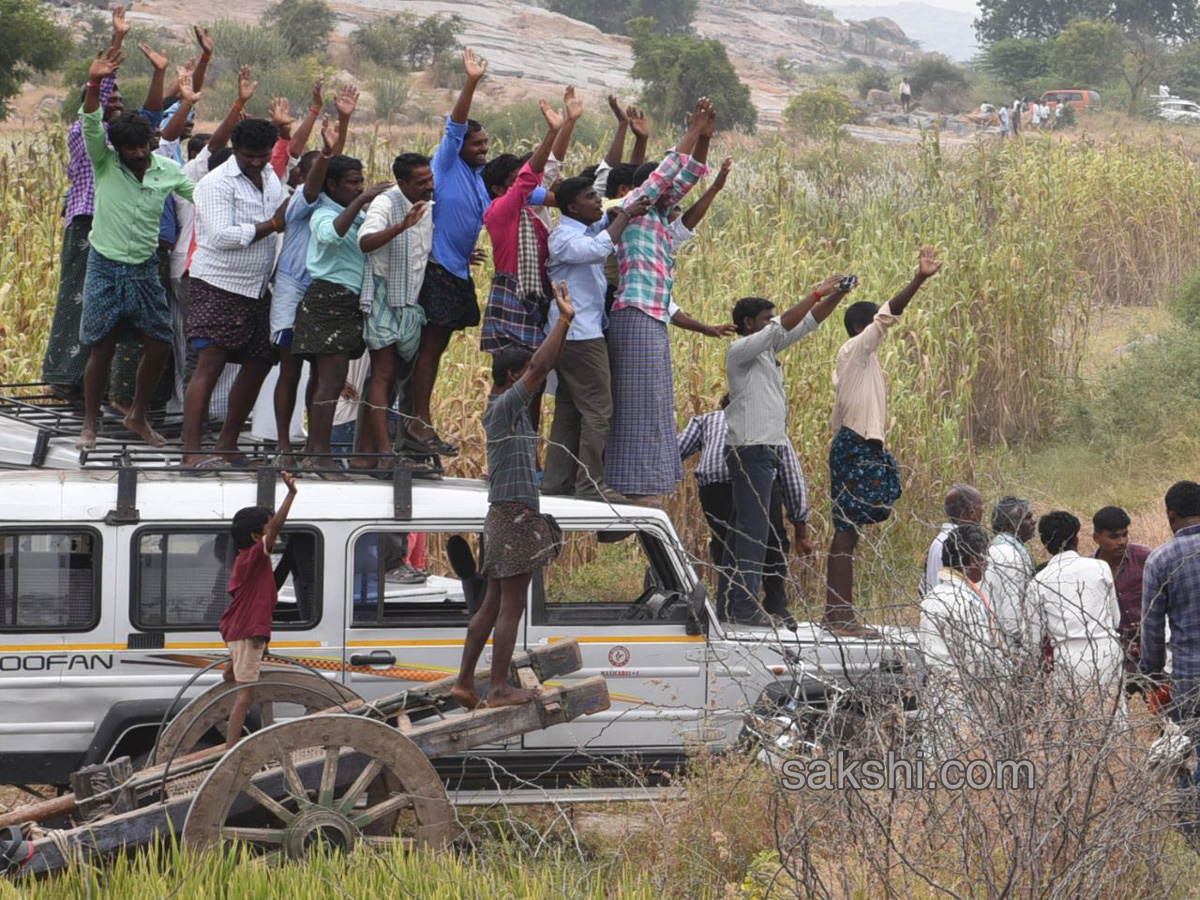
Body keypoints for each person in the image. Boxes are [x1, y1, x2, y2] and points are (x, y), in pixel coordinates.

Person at [450, 282, 575, 710]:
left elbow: (542, 365)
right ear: (511, 377)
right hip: (514, 514)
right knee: (511, 606)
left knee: (490, 605)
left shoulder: (510, 411)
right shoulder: (504, 405)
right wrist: (563, 319)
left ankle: (465, 683)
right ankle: (499, 687)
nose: (534, 383)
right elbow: (540, 366)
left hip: (504, 515)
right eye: (526, 377)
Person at [73, 47, 196, 451]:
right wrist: (94, 83)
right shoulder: (105, 163)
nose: (139, 155)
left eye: (144, 147)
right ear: (119, 150)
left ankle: (138, 413)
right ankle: (89, 423)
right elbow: (91, 121)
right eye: (131, 150)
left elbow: (203, 198)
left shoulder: (168, 171)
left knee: (159, 343)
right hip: (106, 264)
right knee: (102, 345)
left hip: (144, 266)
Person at [606, 98, 725, 503]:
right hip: (634, 314)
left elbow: (687, 177)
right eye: (665, 191)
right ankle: (629, 485)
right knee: (639, 404)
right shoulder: (631, 209)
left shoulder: (656, 219)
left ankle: (647, 484)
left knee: (656, 402)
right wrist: (691, 130)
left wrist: (704, 138)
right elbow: (668, 175)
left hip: (652, 317)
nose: (671, 195)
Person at [824, 246, 942, 639]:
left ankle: (839, 615)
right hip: (855, 445)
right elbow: (888, 314)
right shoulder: (857, 349)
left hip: (855, 444)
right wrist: (920, 279)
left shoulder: (861, 361)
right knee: (845, 533)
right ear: (864, 327)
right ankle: (839, 618)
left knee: (849, 532)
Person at [721, 281, 853, 625]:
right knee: (753, 532)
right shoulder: (741, 350)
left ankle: (733, 603)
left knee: (746, 531)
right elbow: (787, 322)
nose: (772, 322)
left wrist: (838, 294)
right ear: (749, 323)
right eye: (765, 318)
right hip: (751, 450)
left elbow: (809, 322)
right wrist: (815, 292)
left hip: (763, 450)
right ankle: (744, 607)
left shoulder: (765, 352)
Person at [183, 115, 288, 467]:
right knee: (210, 364)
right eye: (249, 157)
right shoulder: (216, 183)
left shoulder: (270, 176)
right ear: (235, 150)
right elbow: (221, 236)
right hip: (218, 283)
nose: (256, 162)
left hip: (258, 286)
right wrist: (271, 225)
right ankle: (191, 451)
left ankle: (227, 445)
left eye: (262, 155)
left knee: (258, 362)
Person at [542, 177, 653, 501]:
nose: (597, 201)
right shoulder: (564, 237)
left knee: (569, 410)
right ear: (573, 207)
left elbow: (602, 228)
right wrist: (626, 216)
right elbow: (598, 249)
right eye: (591, 197)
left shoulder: (584, 226)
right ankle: (590, 486)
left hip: (577, 331)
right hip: (580, 334)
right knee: (598, 409)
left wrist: (620, 211)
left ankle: (555, 482)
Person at [407, 48, 490, 458]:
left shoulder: (475, 178)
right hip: (438, 270)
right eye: (477, 144)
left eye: (485, 144)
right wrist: (471, 81)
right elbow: (455, 125)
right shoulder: (448, 161)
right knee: (429, 349)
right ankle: (418, 423)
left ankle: (418, 420)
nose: (482, 149)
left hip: (456, 268)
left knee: (434, 349)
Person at [271, 84, 358, 466]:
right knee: (290, 368)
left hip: (318, 289)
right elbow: (324, 171)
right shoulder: (301, 203)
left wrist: (344, 119)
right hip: (294, 288)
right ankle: (284, 444)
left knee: (318, 372)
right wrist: (324, 151)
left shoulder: (328, 198)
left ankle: (310, 444)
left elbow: (337, 171)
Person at [291, 150, 390, 476]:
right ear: (331, 184)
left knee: (324, 379)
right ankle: (321, 455)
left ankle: (314, 452)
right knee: (330, 382)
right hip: (328, 301)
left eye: (360, 182)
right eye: (352, 183)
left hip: (343, 303)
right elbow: (331, 234)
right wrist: (361, 200)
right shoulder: (323, 212)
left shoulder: (352, 213)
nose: (358, 187)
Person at [679, 396, 811, 624]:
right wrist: (801, 527)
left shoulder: (707, 420)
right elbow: (791, 475)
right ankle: (775, 604)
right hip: (753, 482)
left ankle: (728, 606)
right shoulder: (767, 424)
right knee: (771, 542)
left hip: (714, 488)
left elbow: (675, 450)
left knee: (725, 544)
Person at [357, 153, 434, 471]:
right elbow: (366, 242)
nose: (429, 186)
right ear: (402, 183)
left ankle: (370, 454)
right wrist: (402, 225)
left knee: (395, 379)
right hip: (384, 298)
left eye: (430, 179)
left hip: (409, 302)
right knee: (383, 374)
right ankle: (385, 455)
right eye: (421, 182)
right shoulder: (386, 205)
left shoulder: (427, 204)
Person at [479, 96, 565, 357]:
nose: (524, 186)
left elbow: (545, 172)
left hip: (537, 293)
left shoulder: (530, 211)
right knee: (511, 373)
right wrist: (552, 132)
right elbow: (531, 177)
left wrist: (565, 127)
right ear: (498, 189)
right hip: (513, 291)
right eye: (515, 182)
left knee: (534, 375)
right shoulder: (501, 210)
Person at [220, 470, 298, 749]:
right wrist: (291, 494)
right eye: (266, 532)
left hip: (238, 630)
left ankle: (231, 673)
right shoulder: (254, 555)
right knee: (245, 696)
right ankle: (231, 750)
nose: (272, 535)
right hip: (247, 630)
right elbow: (277, 526)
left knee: (238, 677)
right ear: (256, 537)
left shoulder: (246, 559)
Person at [916, 524, 998, 753]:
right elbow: (979, 659)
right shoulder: (965, 601)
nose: (987, 564)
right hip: (964, 695)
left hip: (937, 693)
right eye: (984, 557)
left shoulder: (933, 598)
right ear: (971, 560)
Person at [1141, 482, 1200, 794]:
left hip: (1188, 679)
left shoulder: (1160, 559)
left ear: (1171, 515)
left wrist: (1150, 671)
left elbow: (1151, 625)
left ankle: (1192, 826)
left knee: (1186, 750)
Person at [1029, 511, 1122, 697]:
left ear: (1045, 545)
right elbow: (1116, 619)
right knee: (1114, 717)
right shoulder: (1100, 567)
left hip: (1069, 659)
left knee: (1075, 721)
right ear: (1076, 540)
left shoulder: (1038, 581)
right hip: (1107, 652)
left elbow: (1034, 639)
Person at [1091, 506, 1151, 681]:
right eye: (1114, 536)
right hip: (1112, 657)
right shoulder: (1089, 569)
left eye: (1125, 534)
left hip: (1149, 652)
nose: (1122, 541)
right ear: (1096, 538)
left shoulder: (1143, 557)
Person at [983, 496, 1037, 651]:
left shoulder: (995, 550)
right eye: (1027, 518)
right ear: (1010, 526)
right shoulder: (1011, 557)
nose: (1033, 522)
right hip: (1007, 645)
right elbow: (1011, 614)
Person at [920, 484, 984, 597]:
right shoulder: (955, 544)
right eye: (981, 509)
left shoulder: (938, 541)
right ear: (971, 512)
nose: (982, 515)